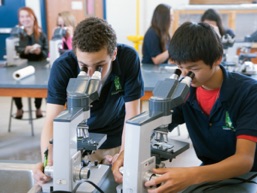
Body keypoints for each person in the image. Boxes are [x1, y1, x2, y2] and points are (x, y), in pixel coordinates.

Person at [112, 22, 257, 192]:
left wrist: (190, 175)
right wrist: (129, 152)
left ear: (218, 59)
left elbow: (244, 160)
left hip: (246, 177)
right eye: (180, 68)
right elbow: (155, 125)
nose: (186, 75)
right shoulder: (185, 92)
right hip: (206, 171)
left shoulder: (248, 92)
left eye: (193, 68)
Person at [33, 17, 144, 185]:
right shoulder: (63, 66)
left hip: (116, 139)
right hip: (78, 143)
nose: (91, 74)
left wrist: (124, 155)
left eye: (99, 66)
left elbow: (132, 113)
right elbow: (52, 120)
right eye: (84, 66)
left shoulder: (128, 59)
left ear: (113, 53)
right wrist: (49, 163)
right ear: (74, 53)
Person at [14, 7, 48, 119]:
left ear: (33, 17)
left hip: (38, 66)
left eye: (27, 16)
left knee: (38, 86)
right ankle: (19, 108)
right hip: (20, 66)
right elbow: (15, 51)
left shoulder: (41, 35)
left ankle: (38, 108)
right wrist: (25, 50)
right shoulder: (17, 34)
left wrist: (39, 52)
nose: (25, 19)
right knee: (15, 84)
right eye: (22, 16)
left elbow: (46, 52)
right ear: (19, 19)